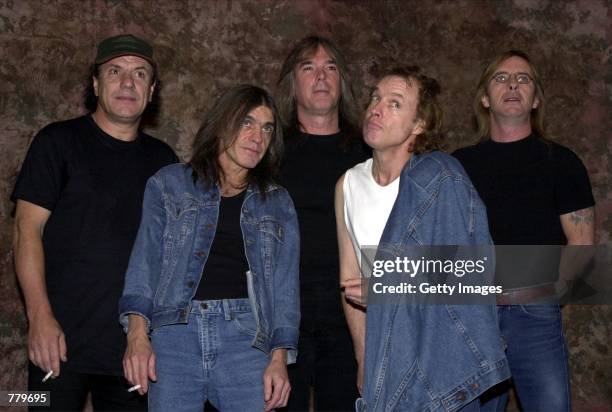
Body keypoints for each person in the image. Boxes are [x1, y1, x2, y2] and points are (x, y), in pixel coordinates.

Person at [11, 34, 177, 410]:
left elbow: (168, 256)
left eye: (140, 74)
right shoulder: (56, 142)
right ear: (96, 84)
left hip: (132, 350)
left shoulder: (164, 161)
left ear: (151, 91)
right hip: (57, 341)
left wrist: (147, 334)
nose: (127, 82)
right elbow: (26, 232)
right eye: (115, 71)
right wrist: (39, 318)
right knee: (29, 403)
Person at [337, 66, 510, 411]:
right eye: (376, 98)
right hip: (387, 353)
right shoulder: (347, 184)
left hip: (444, 355)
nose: (377, 108)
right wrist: (363, 358)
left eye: (395, 103)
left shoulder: (442, 179)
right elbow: (350, 284)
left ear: (420, 125)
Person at [119, 85, 300, 412]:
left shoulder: (277, 202)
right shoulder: (169, 184)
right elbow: (145, 262)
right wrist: (137, 336)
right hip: (175, 334)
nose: (257, 135)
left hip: (246, 338)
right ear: (221, 125)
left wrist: (279, 358)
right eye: (246, 122)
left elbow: (284, 288)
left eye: (267, 128)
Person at [453, 50, 595, 411]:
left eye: (524, 78)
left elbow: (581, 241)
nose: (513, 84)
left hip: (535, 320)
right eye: (501, 78)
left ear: (535, 100)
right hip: (475, 318)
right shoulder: (458, 165)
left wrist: (549, 295)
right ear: (485, 99)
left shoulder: (561, 162)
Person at [276, 35, 369, 411]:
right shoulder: (269, 149)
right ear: (292, 82)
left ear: (342, 81)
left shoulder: (368, 151)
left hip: (352, 317)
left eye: (330, 67)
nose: (320, 77)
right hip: (283, 321)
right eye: (308, 68)